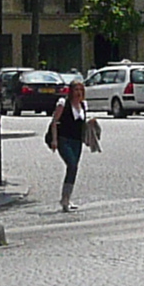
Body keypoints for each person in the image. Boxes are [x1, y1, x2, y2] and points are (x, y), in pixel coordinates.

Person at [51, 82, 90, 211]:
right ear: (71, 91)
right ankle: (65, 200)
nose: (78, 92)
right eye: (76, 89)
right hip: (64, 139)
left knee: (73, 168)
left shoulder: (83, 105)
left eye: (80, 90)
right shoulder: (63, 103)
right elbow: (54, 122)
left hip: (77, 141)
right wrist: (54, 140)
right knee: (71, 164)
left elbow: (82, 124)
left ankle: (66, 197)